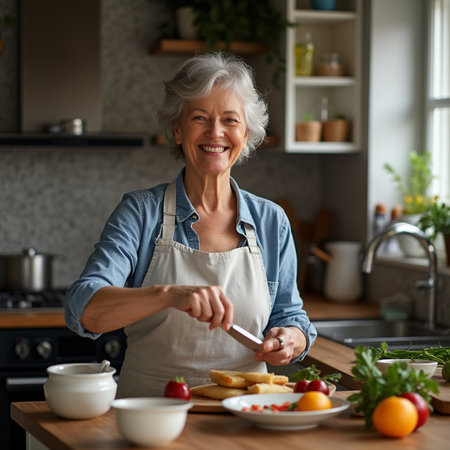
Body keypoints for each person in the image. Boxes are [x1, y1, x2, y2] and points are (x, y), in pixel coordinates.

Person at [64, 52, 317, 397]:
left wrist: (289, 339)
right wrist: (168, 294)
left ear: (246, 134)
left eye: (230, 120)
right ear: (178, 129)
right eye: (200, 118)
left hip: (247, 418)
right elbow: (84, 310)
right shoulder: (140, 213)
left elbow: (290, 315)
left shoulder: (271, 221)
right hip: (151, 416)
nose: (216, 132)